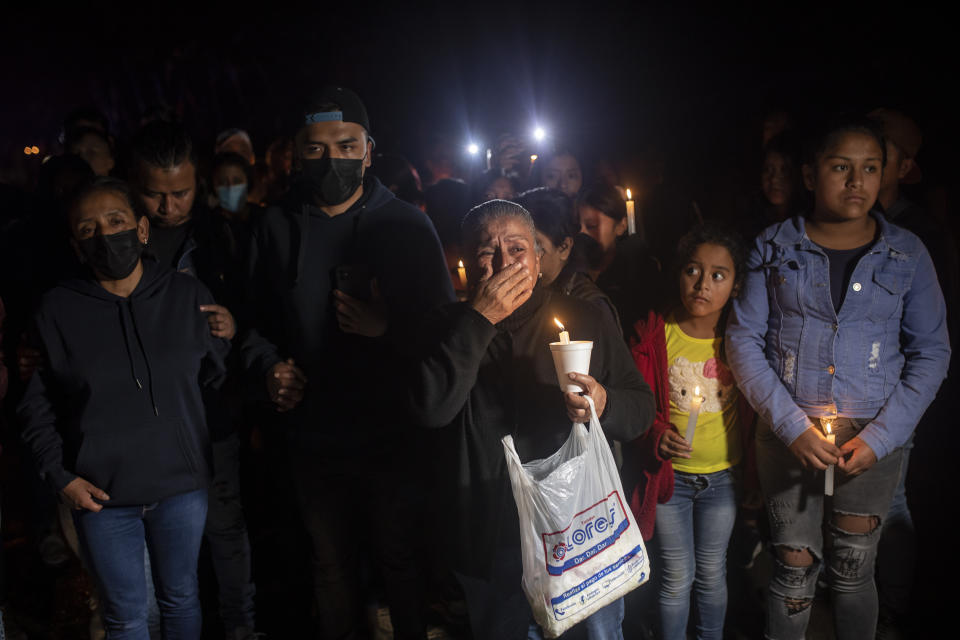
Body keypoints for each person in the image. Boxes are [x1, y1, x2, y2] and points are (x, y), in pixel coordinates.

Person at [240, 86, 454, 639]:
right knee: (329, 568)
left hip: (393, 435)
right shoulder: (274, 227)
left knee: (400, 561)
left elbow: (445, 331)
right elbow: (250, 322)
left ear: (368, 149)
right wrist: (269, 368)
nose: (330, 158)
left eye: (345, 144)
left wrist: (389, 327)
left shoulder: (408, 226)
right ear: (294, 152)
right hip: (314, 440)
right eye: (315, 148)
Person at [725, 116, 950, 640]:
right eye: (840, 167)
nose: (856, 181)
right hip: (787, 440)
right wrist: (791, 427)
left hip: (873, 443)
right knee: (793, 571)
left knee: (852, 574)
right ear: (810, 175)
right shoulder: (773, 247)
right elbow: (742, 340)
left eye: (870, 168)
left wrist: (881, 438)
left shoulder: (907, 254)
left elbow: (932, 353)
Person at [407, 199, 656, 640]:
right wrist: (480, 319)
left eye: (518, 249)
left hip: (581, 531)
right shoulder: (444, 327)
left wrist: (603, 403)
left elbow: (639, 409)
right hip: (490, 536)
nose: (504, 263)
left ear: (539, 261)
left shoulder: (585, 318)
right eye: (487, 251)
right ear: (466, 262)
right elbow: (431, 408)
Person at [18, 177, 231, 639]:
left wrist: (231, 337)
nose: (104, 235)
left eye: (115, 221)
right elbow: (36, 406)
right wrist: (61, 478)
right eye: (88, 228)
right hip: (101, 499)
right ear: (76, 245)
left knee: (181, 599)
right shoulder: (56, 311)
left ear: (141, 229)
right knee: (126, 616)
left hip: (181, 489)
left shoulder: (187, 296)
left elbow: (218, 381)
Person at [130, 122, 259, 639]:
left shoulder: (220, 234)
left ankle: (239, 627)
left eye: (179, 193)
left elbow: (258, 313)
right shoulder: (116, 238)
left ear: (196, 182)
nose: (167, 207)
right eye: (153, 194)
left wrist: (232, 323)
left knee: (224, 528)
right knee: (154, 539)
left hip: (210, 412)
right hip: (141, 416)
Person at [623, 224, 752, 640]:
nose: (702, 284)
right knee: (677, 575)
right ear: (678, 274)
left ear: (735, 286)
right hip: (670, 480)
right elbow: (636, 401)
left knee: (713, 572)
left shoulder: (741, 341)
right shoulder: (656, 335)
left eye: (718, 275)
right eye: (692, 271)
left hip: (723, 478)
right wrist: (654, 433)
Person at [516, 187, 620, 332]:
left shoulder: (587, 306)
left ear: (564, 247)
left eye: (537, 246)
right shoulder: (515, 293)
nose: (521, 258)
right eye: (516, 247)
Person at [578, 182, 662, 332]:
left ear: (621, 226)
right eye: (577, 226)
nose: (582, 233)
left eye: (591, 226)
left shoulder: (637, 274)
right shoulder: (571, 271)